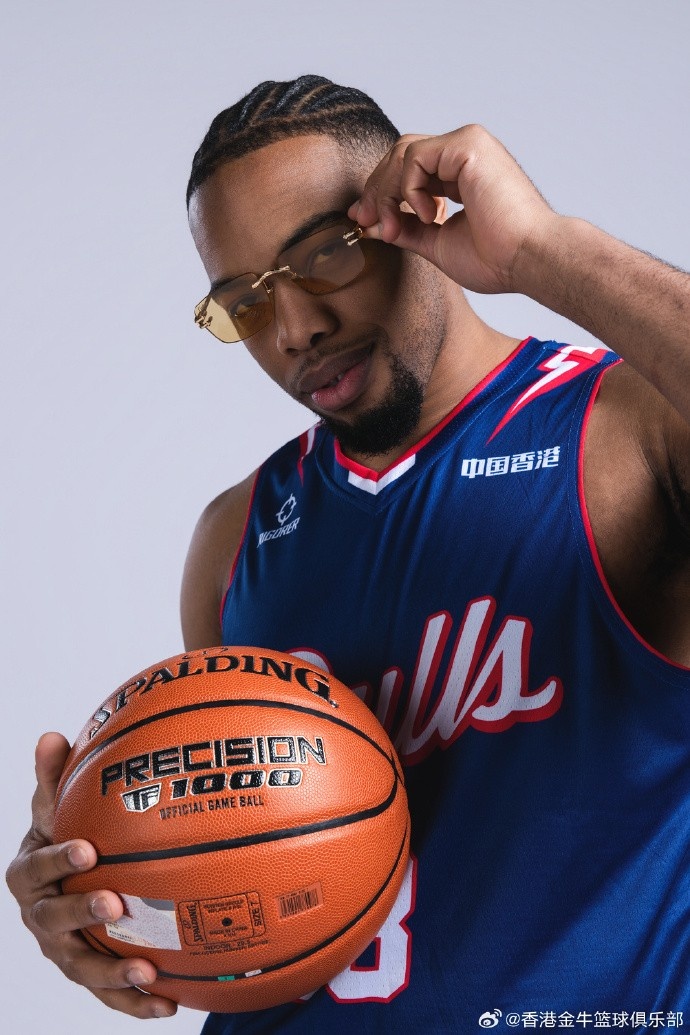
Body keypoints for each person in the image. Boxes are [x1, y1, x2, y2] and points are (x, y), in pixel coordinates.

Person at [7, 75, 690, 1032]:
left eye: (326, 254)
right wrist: (105, 888)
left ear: (420, 215)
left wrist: (540, 247)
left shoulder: (622, 435)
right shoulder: (235, 533)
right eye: (245, 302)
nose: (296, 330)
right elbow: (228, 874)